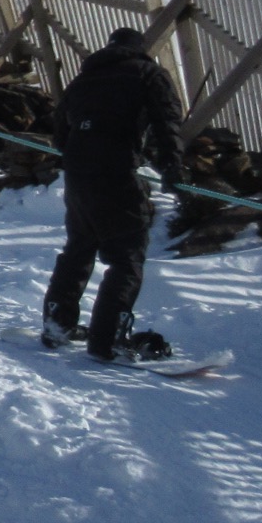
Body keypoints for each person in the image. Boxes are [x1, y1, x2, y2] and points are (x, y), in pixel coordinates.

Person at [41, 28, 185, 361]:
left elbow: (61, 132)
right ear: (139, 50)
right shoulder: (148, 74)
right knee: (126, 257)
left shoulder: (82, 81)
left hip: (78, 175)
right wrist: (172, 166)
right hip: (116, 172)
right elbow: (168, 120)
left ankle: (57, 325)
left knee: (79, 248)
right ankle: (107, 341)